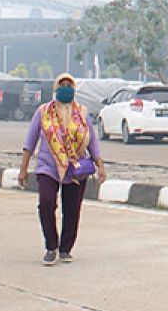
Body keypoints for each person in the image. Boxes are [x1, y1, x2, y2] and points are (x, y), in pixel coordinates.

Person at [18, 72, 105, 265]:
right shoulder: (43, 112)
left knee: (72, 209)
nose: (66, 88)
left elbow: (92, 141)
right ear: (55, 89)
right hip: (48, 167)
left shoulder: (82, 113)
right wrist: (23, 168)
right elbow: (30, 141)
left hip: (76, 168)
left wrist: (100, 165)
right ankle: (51, 246)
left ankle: (66, 248)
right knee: (47, 204)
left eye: (69, 85)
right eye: (62, 85)